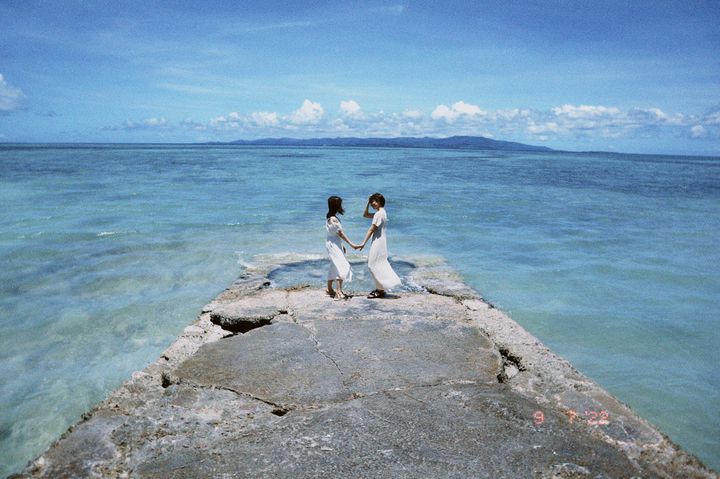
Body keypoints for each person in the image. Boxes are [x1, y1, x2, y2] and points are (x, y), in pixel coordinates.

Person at [357, 192, 402, 298]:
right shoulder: (381, 212)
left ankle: (380, 289)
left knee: (372, 265)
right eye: (371, 201)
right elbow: (365, 215)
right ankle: (381, 289)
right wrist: (367, 203)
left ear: (380, 202)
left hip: (378, 242)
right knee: (378, 264)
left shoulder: (379, 214)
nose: (372, 203)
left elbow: (372, 229)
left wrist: (363, 242)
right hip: (381, 241)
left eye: (374, 201)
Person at [325, 196, 359, 300]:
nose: (341, 206)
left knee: (334, 265)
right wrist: (351, 244)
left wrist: (342, 245)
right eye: (340, 204)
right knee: (342, 265)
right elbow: (340, 233)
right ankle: (338, 292)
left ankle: (329, 289)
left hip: (332, 243)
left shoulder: (329, 216)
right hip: (333, 244)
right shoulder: (333, 219)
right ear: (336, 205)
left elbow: (333, 234)